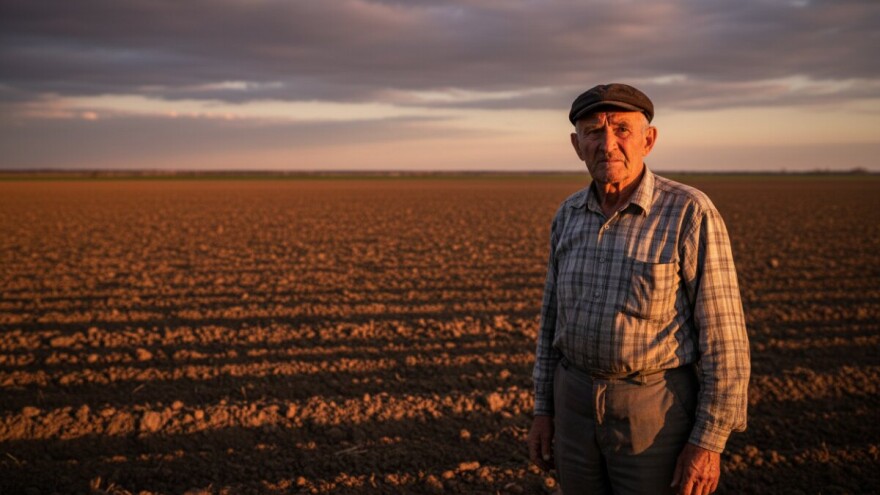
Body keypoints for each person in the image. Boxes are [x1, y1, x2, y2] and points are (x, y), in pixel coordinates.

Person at [527, 83, 750, 495]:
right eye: (594, 131)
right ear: (577, 145)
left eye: (622, 130)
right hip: (573, 403)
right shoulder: (569, 215)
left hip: (653, 411)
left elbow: (726, 340)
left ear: (649, 139)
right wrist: (544, 410)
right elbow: (550, 323)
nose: (608, 144)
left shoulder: (689, 212)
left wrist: (708, 442)